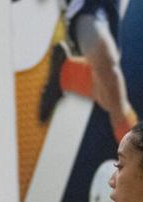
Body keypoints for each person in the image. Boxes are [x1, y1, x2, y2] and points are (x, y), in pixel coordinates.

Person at [39, 0, 137, 144]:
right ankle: (139, 154)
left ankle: (65, 73)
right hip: (86, 13)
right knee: (111, 80)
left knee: (108, 95)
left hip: (108, 15)